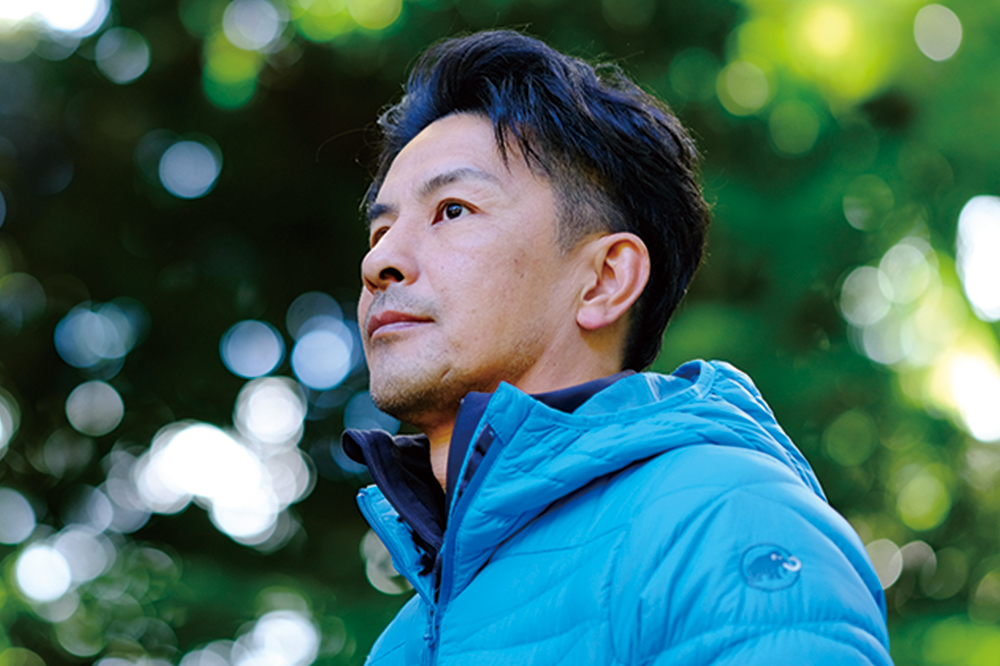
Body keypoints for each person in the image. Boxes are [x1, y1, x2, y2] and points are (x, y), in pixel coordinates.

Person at [343, 29, 893, 666]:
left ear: (605, 280)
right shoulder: (399, 644)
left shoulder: (724, 518)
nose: (379, 262)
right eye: (381, 230)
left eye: (453, 210)